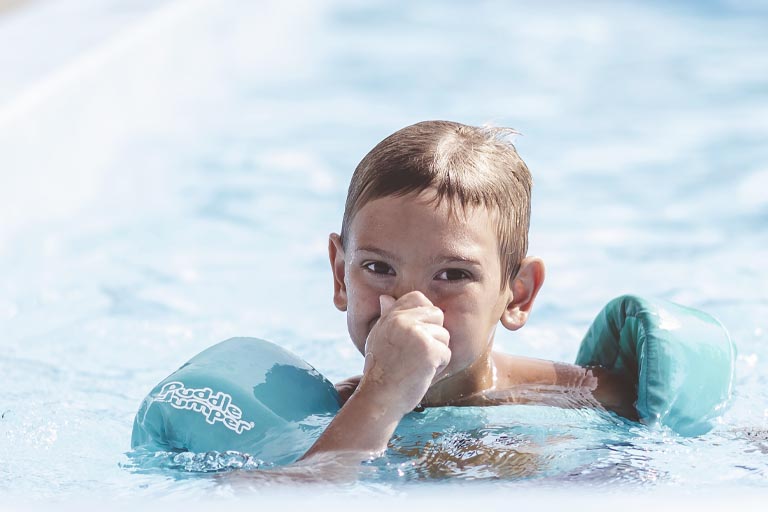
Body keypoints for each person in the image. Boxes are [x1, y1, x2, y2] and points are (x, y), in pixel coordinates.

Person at [300, 120, 634, 462]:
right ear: (341, 275)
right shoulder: (322, 420)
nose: (411, 305)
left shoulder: (596, 398)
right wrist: (381, 397)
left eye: (453, 274)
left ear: (518, 294)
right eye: (379, 268)